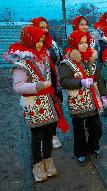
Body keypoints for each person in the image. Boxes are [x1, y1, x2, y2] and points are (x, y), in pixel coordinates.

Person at [4, 25, 68, 182]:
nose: (40, 44)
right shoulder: (22, 62)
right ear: (28, 39)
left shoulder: (44, 58)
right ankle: (37, 165)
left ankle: (48, 159)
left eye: (41, 41)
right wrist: (37, 86)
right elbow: (17, 86)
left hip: (46, 101)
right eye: (37, 41)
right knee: (36, 136)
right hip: (32, 104)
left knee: (48, 134)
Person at [60, 30, 107, 163]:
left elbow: (99, 78)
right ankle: (80, 151)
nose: (85, 45)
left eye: (86, 42)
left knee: (96, 126)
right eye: (81, 43)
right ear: (74, 44)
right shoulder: (67, 62)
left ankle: (93, 146)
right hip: (78, 101)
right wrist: (80, 82)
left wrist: (103, 96)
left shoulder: (91, 59)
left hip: (93, 99)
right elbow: (63, 81)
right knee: (79, 130)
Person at [32, 17, 64, 149]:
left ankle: (53, 135)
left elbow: (60, 60)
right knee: (43, 109)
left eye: (46, 28)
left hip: (54, 82)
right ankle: (41, 137)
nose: (45, 30)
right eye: (41, 28)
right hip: (40, 84)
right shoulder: (31, 45)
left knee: (56, 107)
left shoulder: (53, 44)